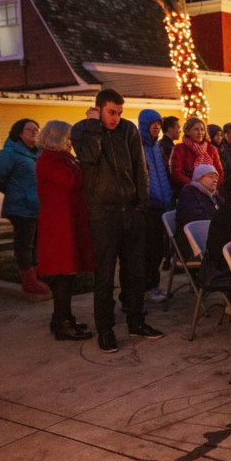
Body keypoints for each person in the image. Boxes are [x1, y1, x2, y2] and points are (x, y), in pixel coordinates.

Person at [72, 88, 162, 353]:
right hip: (103, 212)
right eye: (111, 112)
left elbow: (140, 168)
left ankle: (136, 321)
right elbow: (88, 157)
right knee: (105, 275)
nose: (116, 118)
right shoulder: (82, 130)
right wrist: (93, 125)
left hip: (131, 210)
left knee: (136, 272)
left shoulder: (129, 131)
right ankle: (106, 330)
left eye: (119, 113)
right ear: (98, 109)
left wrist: (142, 203)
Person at [35, 120, 93, 341]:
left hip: (66, 223)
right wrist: (84, 166)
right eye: (68, 138)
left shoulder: (61, 159)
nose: (71, 143)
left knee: (68, 277)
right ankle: (62, 322)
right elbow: (71, 181)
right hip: (58, 227)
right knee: (63, 276)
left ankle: (63, 317)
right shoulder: (49, 161)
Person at [0, 118, 48, 294]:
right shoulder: (9, 153)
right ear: (19, 133)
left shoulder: (40, 153)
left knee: (37, 243)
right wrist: (18, 192)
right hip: (21, 206)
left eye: (36, 129)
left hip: (38, 206)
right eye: (29, 129)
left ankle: (37, 276)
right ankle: (29, 281)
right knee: (25, 244)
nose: (34, 132)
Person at [138, 109, 173, 304]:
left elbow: (162, 174)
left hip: (161, 204)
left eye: (159, 123)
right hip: (147, 207)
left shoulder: (157, 148)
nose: (157, 127)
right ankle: (147, 288)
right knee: (148, 250)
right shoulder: (139, 147)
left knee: (158, 249)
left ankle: (154, 285)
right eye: (153, 123)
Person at [175, 164, 223, 261]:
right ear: (198, 178)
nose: (215, 180)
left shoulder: (214, 197)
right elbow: (196, 218)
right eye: (210, 176)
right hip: (193, 247)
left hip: (210, 243)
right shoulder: (189, 194)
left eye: (216, 177)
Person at [169, 117, 224, 190]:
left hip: (210, 191)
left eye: (202, 129)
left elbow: (219, 172)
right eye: (196, 129)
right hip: (188, 190)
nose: (200, 132)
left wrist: (213, 187)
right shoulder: (179, 149)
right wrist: (195, 185)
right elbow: (176, 173)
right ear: (188, 131)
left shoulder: (211, 150)